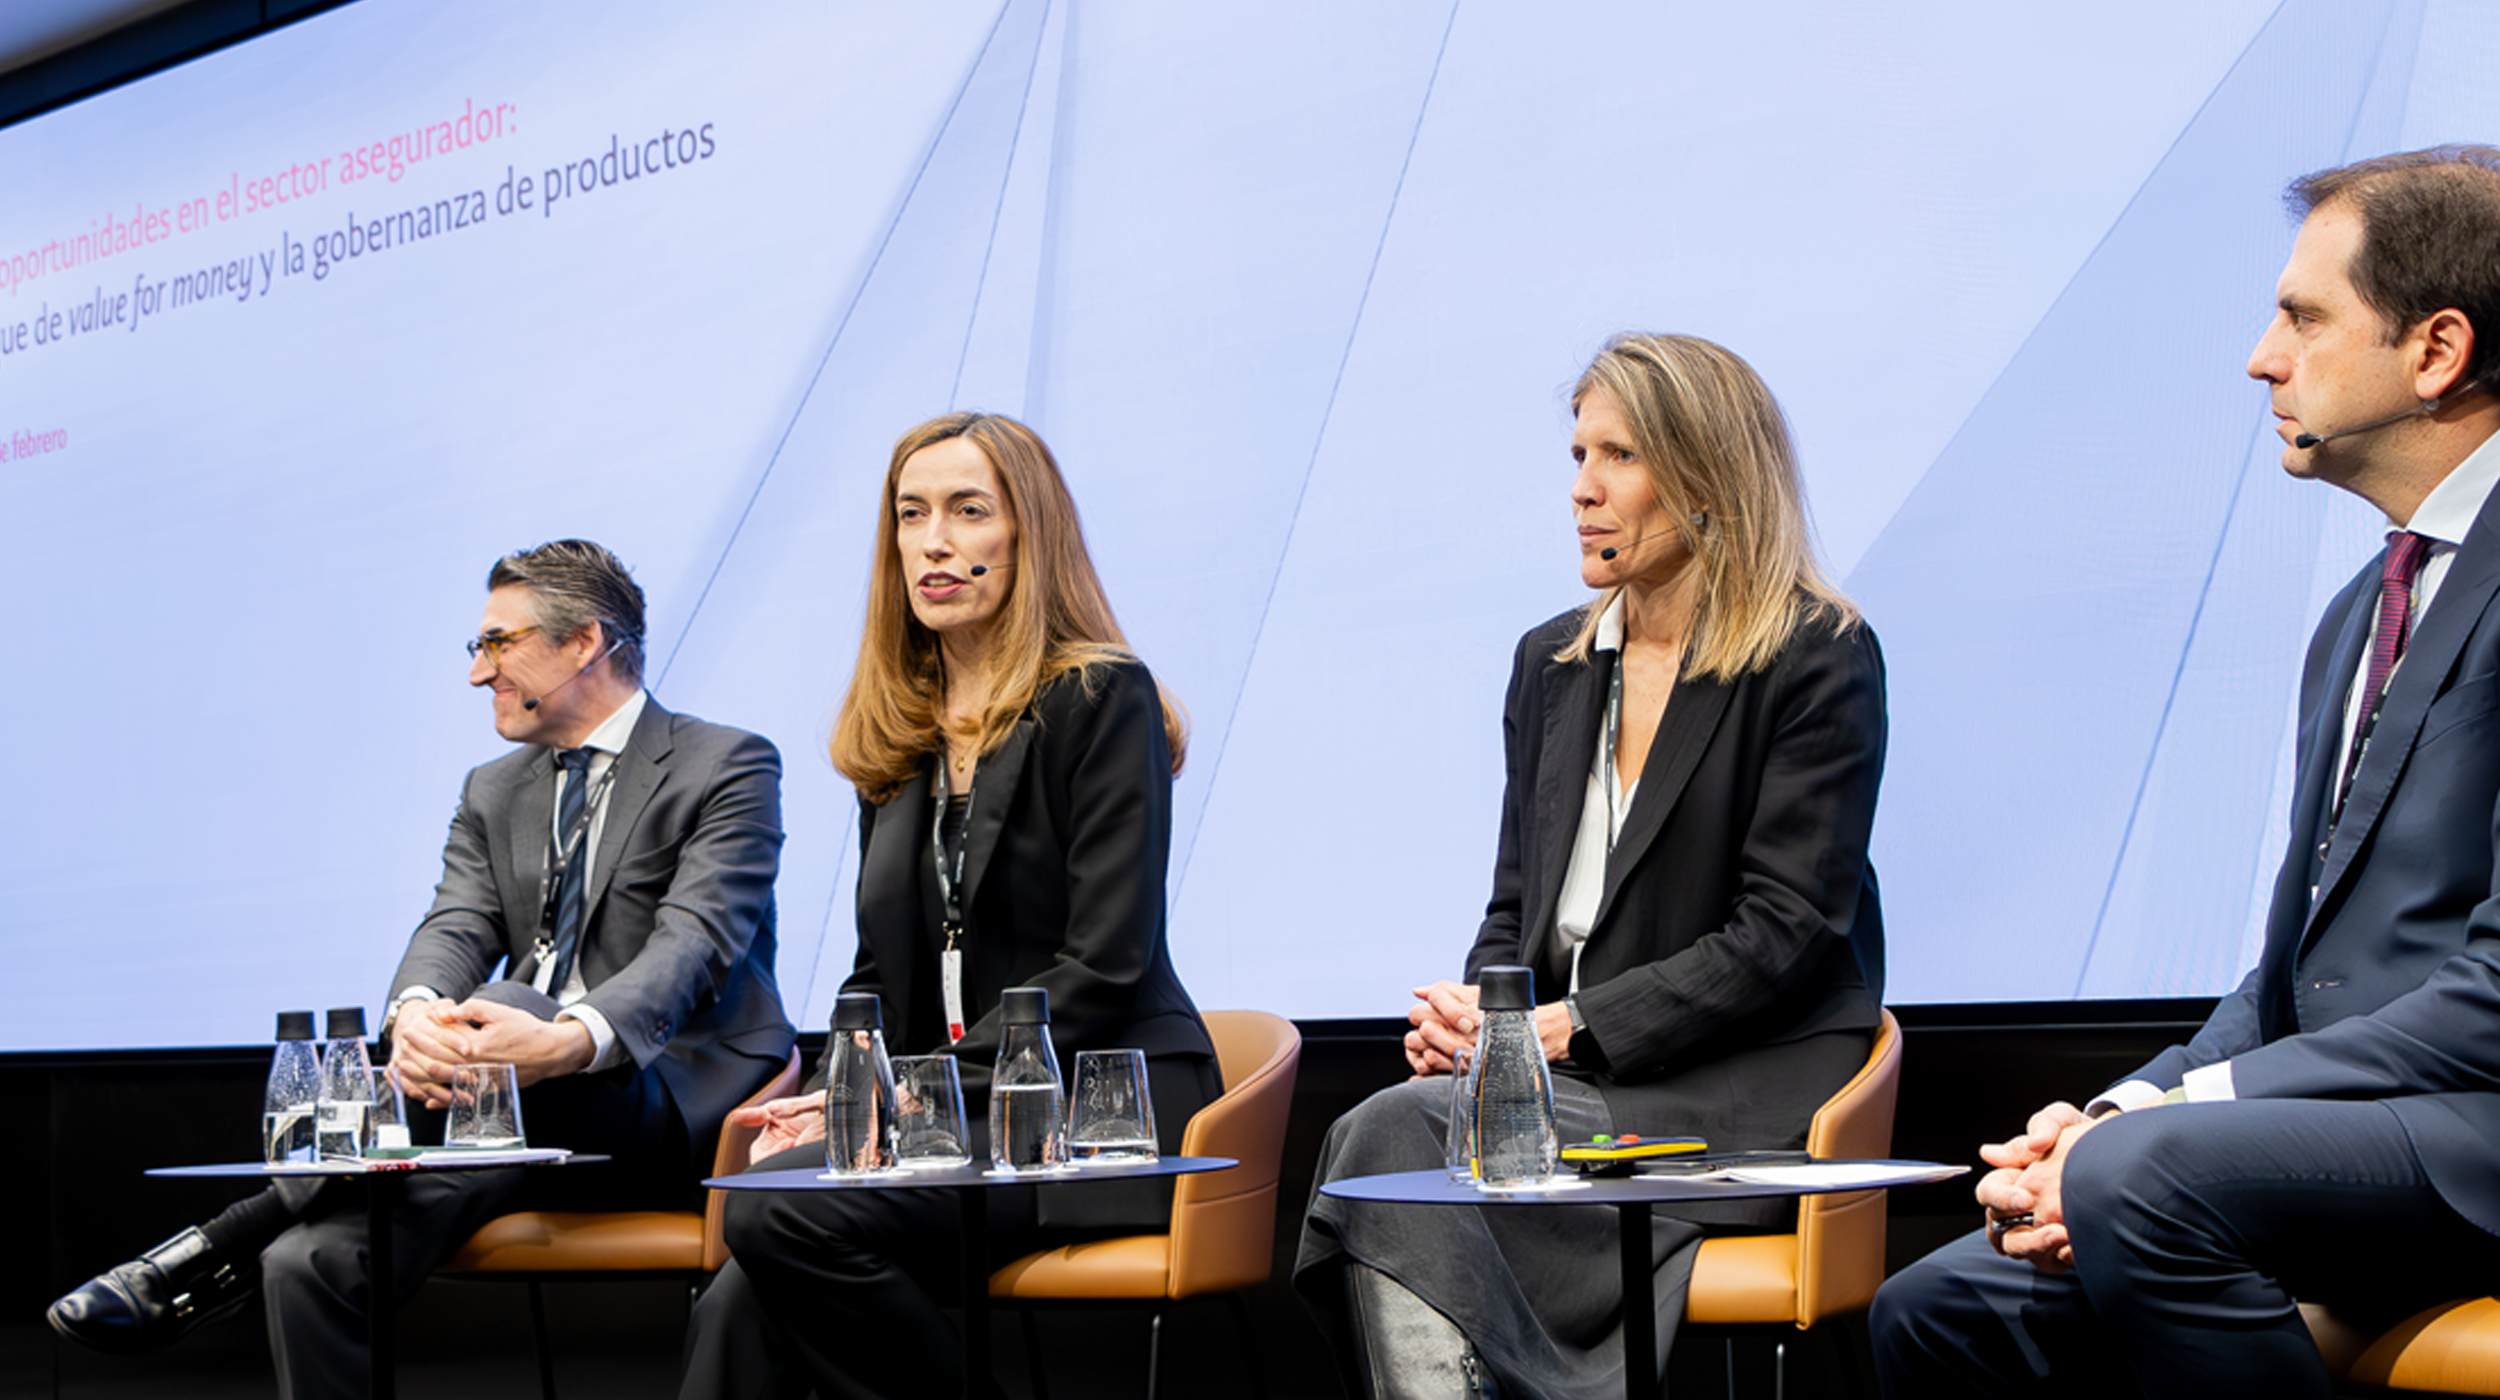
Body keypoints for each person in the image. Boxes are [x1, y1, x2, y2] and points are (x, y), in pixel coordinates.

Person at [1870, 145, 2500, 1399]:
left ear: (2436, 350)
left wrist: (2163, 1124)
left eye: (2303, 317)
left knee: (2135, 1178)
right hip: (2341, 1136)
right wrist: (2121, 1103)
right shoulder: (2356, 615)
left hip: (2473, 1131)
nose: (2263, 358)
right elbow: (2297, 972)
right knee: (1933, 1308)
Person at [49, 539, 795, 1398]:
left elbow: (695, 943)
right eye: (478, 647)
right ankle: (257, 1245)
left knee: (509, 1001)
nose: (478, 673)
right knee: (308, 1260)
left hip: (661, 1104)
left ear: (585, 642)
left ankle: (217, 1245)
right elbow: (454, 922)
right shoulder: (493, 788)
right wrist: (413, 1017)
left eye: (499, 643)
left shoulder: (726, 762)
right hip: (497, 1115)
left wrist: (564, 1040)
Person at [1295, 333, 1889, 1400]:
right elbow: (1515, 908)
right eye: (1578, 455)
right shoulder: (1550, 662)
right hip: (1568, 1086)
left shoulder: (1814, 653)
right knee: (1390, 1129)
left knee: (1390, 1132)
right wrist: (1481, 1023)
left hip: (1735, 1085)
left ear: (1705, 476)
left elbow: (1786, 930)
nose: (1582, 489)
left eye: (1619, 455)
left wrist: (1557, 1029)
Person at [677, 411, 1219, 1400]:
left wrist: (906, 1090)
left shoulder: (1102, 695)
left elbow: (1106, 962)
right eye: (911, 514)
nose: (934, 541)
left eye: (969, 511)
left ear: (1028, 532)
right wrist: (844, 1088)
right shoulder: (898, 732)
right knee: (738, 1295)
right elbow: (879, 973)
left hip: (1093, 1111)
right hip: (950, 1123)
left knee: (770, 1214)